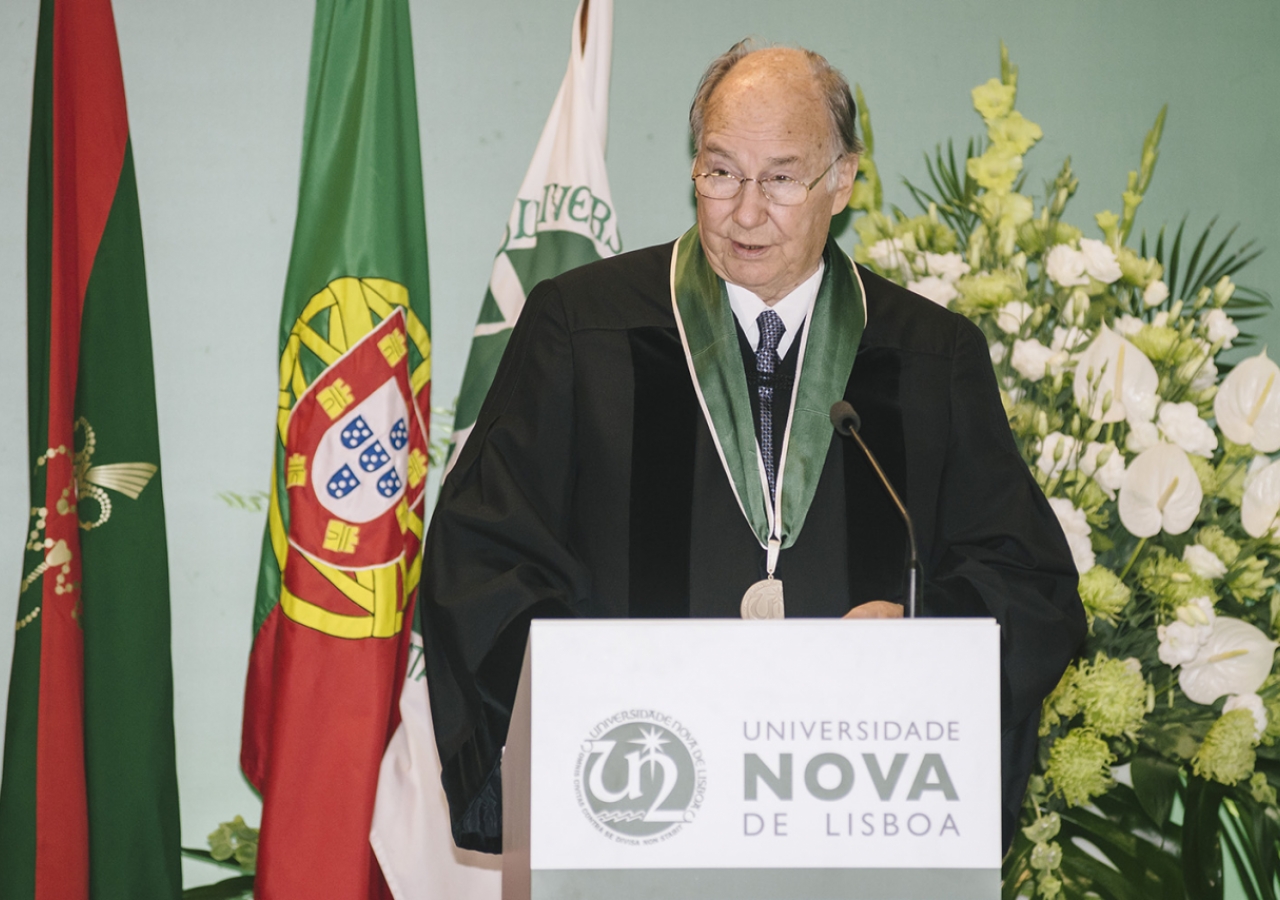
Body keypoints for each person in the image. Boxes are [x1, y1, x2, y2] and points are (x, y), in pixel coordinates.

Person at [421, 40, 1086, 854]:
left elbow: (1027, 581)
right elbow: (481, 557)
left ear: (842, 182)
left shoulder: (929, 356)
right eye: (720, 172)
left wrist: (923, 627)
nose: (743, 211)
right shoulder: (582, 329)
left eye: (779, 178)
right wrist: (596, 683)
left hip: (855, 811)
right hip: (640, 802)